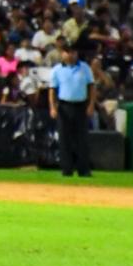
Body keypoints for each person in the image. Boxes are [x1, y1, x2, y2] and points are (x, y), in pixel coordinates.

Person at [48, 45, 95, 178]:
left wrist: (91, 105)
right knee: (64, 139)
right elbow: (52, 90)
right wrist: (52, 107)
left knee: (82, 139)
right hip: (64, 106)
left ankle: (83, 170)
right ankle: (66, 169)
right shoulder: (57, 70)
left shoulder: (85, 68)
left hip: (81, 105)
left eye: (73, 52)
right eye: (67, 52)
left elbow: (91, 87)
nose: (70, 55)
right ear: (62, 53)